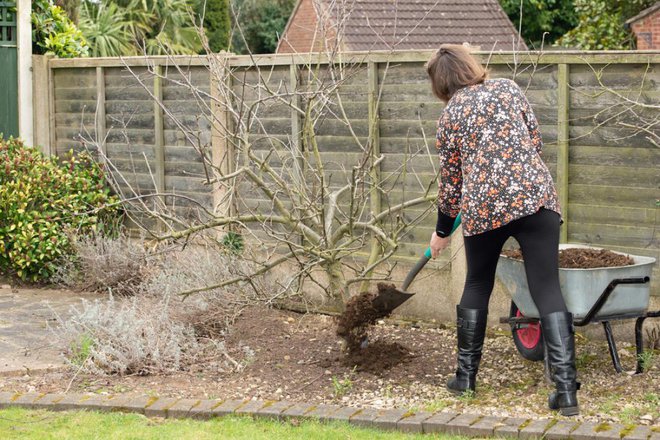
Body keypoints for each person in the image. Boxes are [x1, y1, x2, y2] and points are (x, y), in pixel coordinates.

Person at [425, 44, 579, 416]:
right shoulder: (509, 88)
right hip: (534, 198)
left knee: (477, 283)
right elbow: (535, 142)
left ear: (441, 83)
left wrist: (442, 231)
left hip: (484, 207)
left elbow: (451, 184)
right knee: (546, 286)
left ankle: (466, 379)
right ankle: (566, 392)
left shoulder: (450, 115)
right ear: (470, 65)